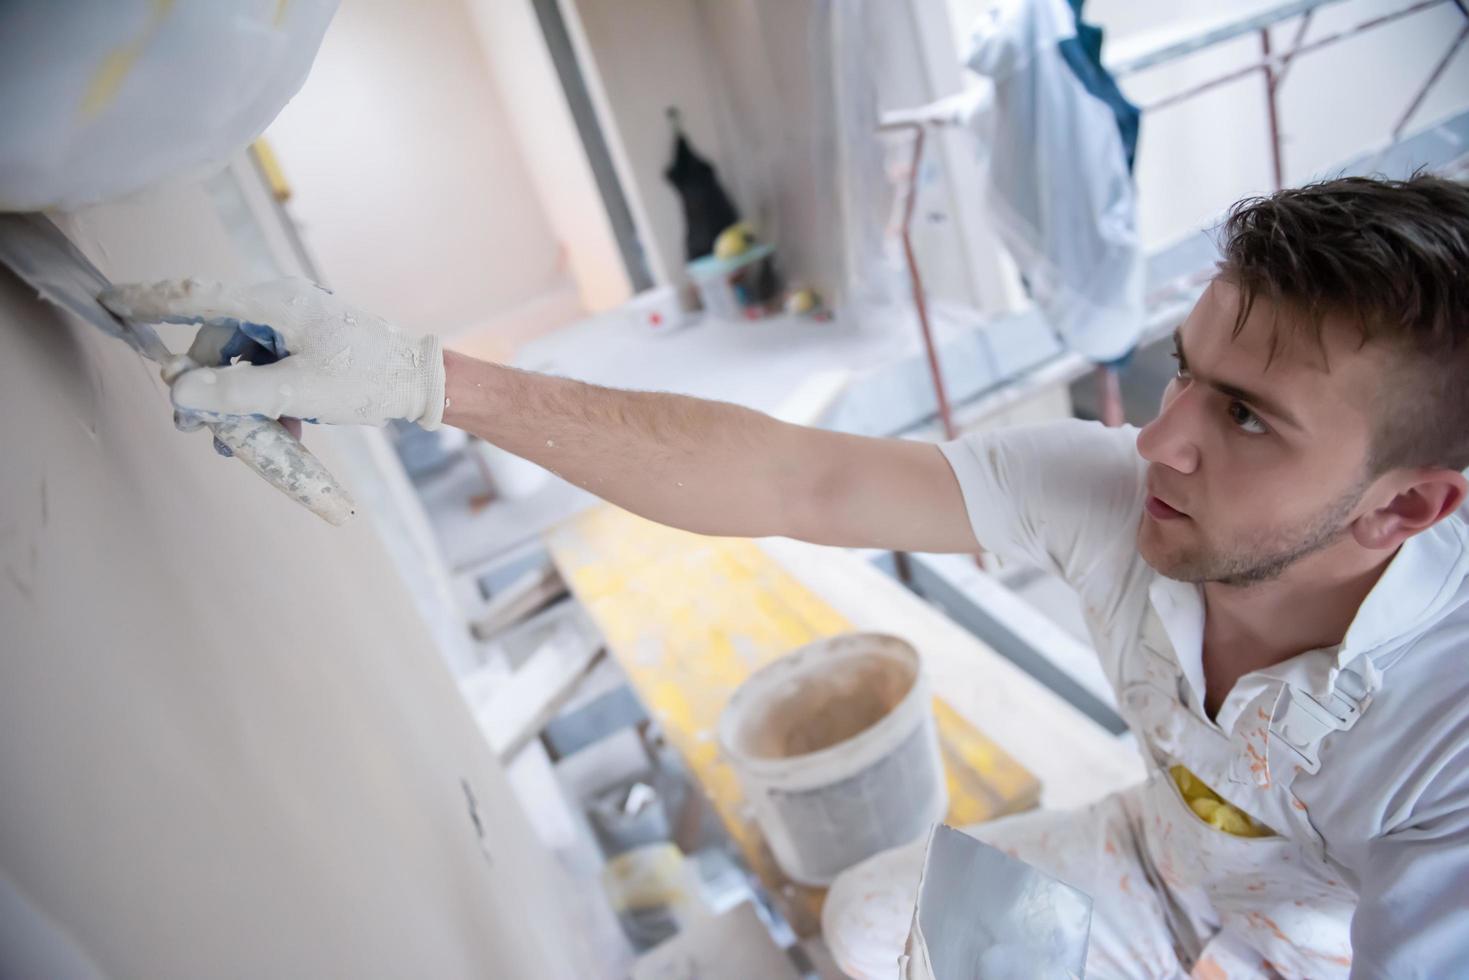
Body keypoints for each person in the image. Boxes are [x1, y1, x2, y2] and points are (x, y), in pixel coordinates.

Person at [103, 174, 1469, 979]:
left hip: (1301, 952)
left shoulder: (1447, 735)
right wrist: (419, 378)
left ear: (1406, 505)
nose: (1156, 438)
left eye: (1244, 420)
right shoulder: (1113, 488)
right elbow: (790, 476)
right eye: (1182, 368)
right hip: (1148, 852)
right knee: (871, 916)